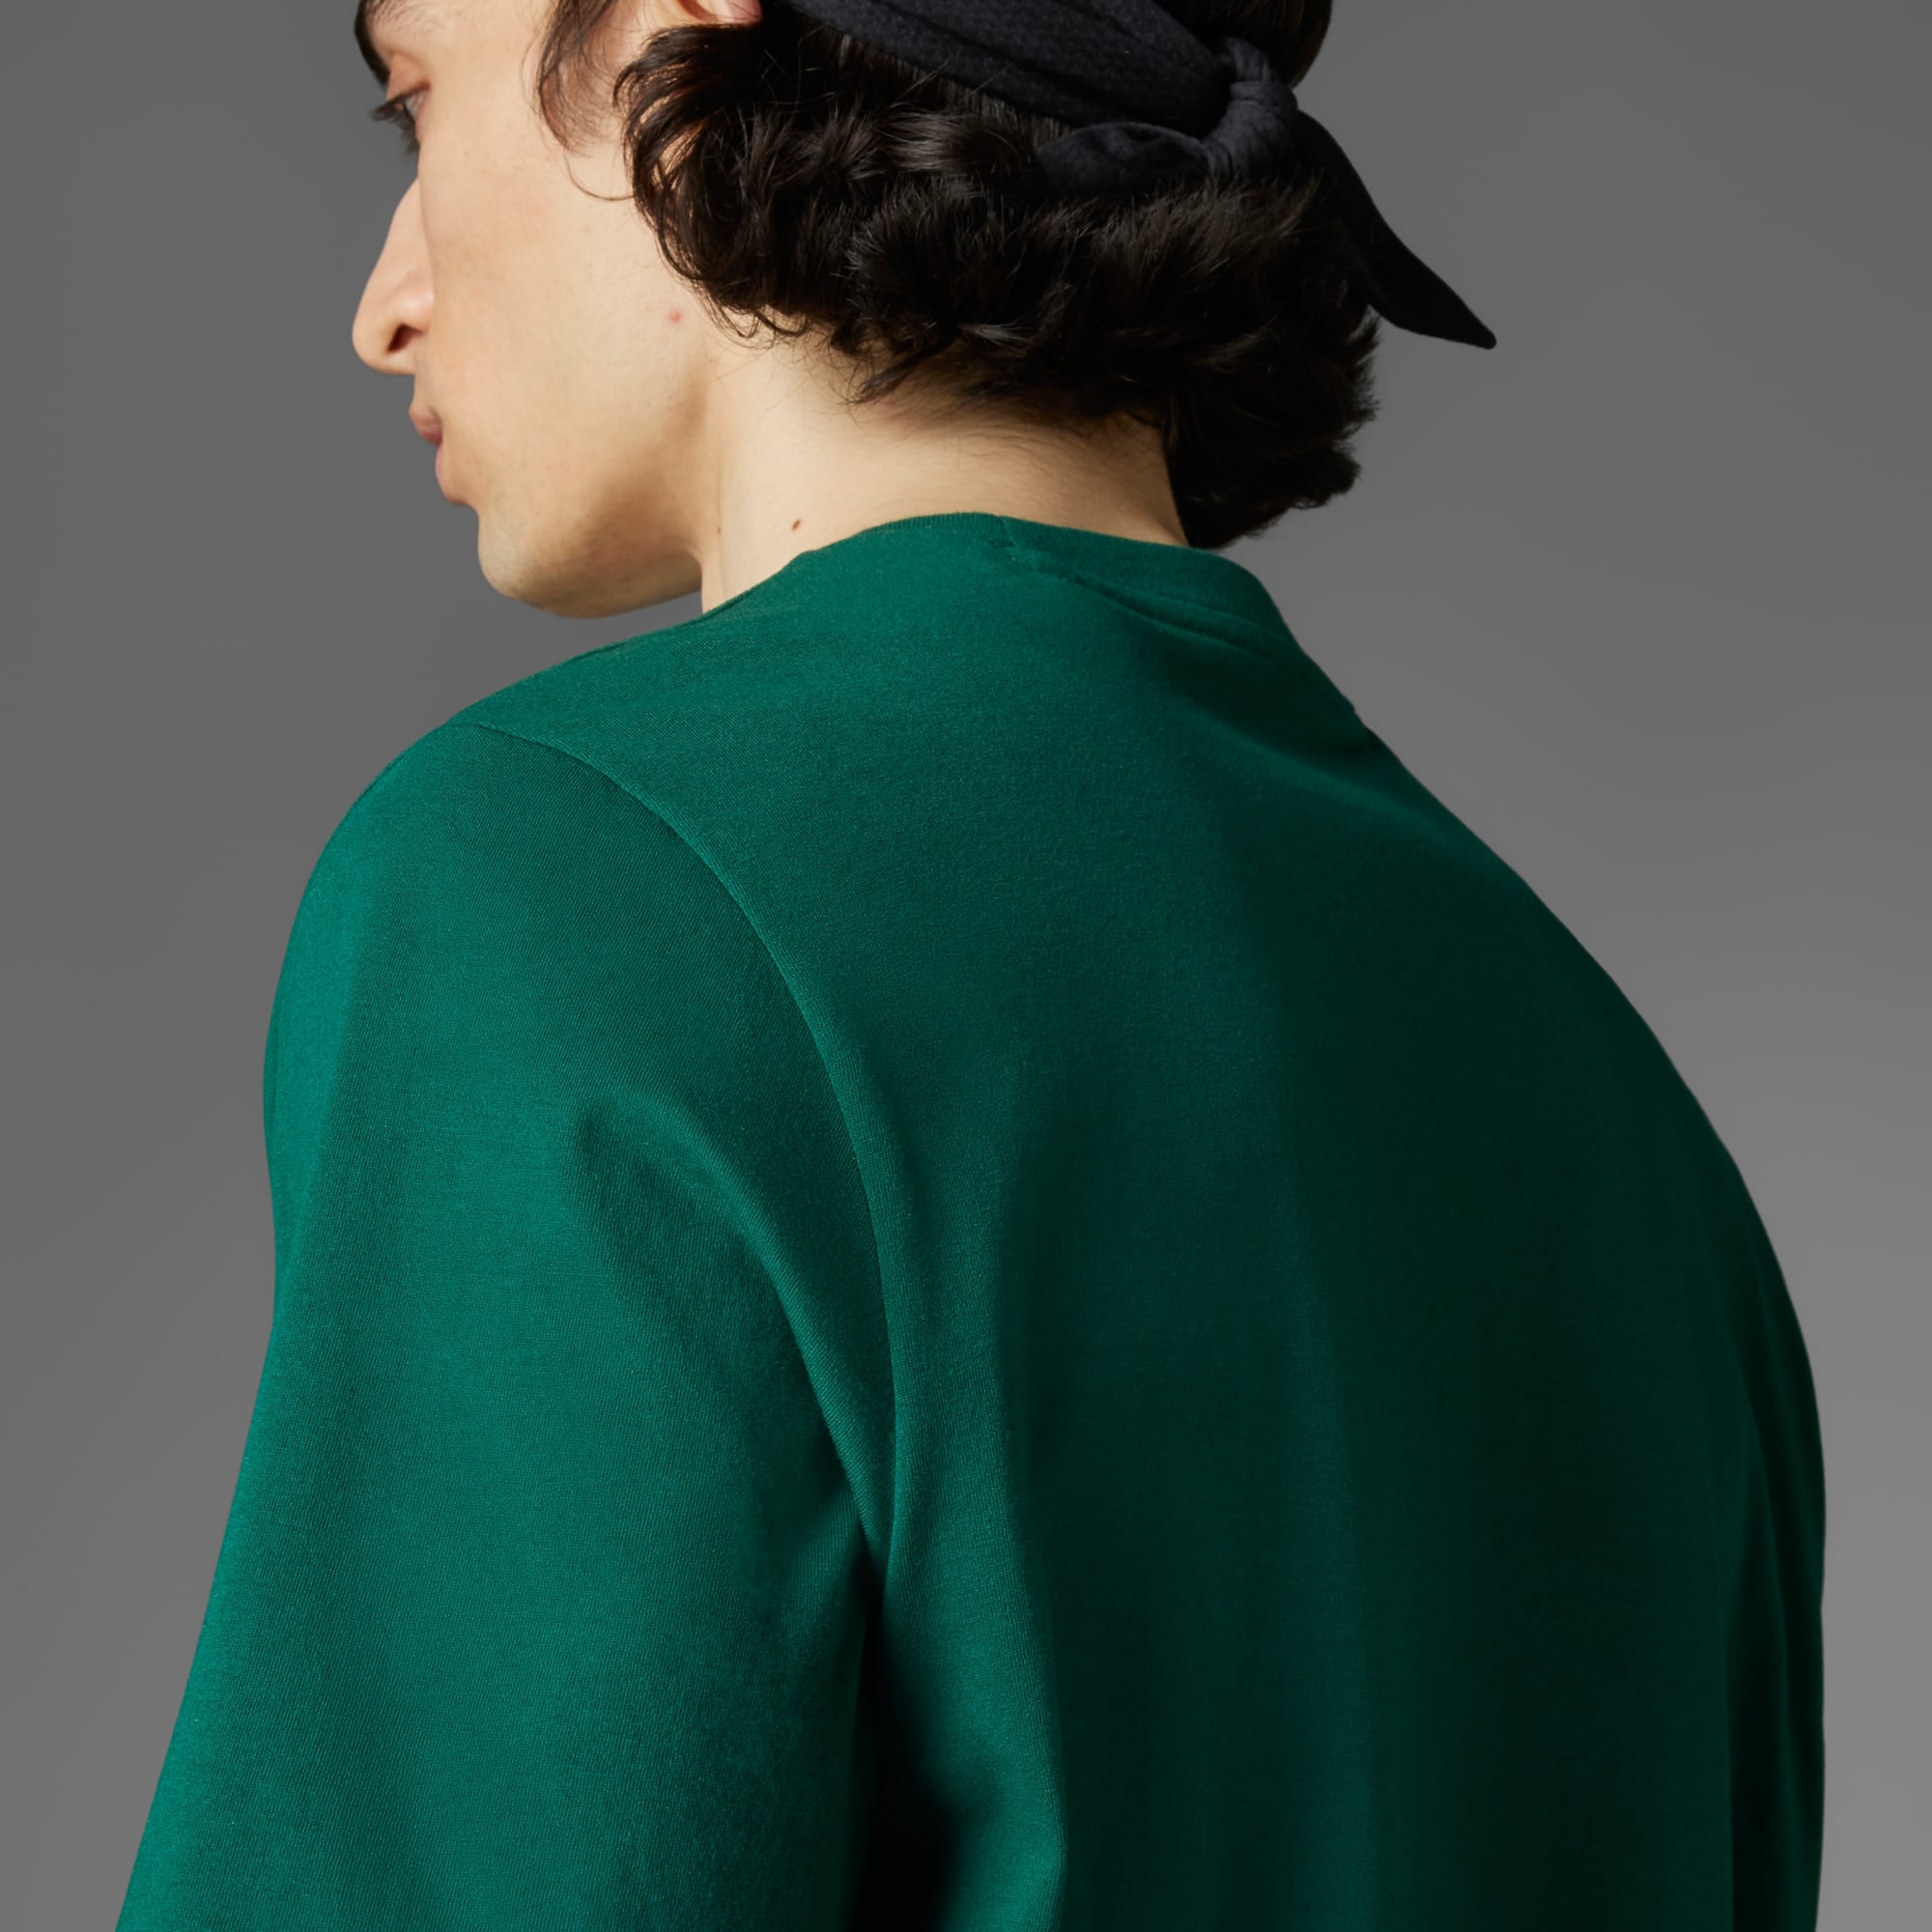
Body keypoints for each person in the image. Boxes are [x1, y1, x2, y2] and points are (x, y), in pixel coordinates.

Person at [116, 0, 1825, 1926]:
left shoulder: (569, 882)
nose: (386, 305)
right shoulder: (1595, 1076)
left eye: (417, 100)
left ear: (677, 35)